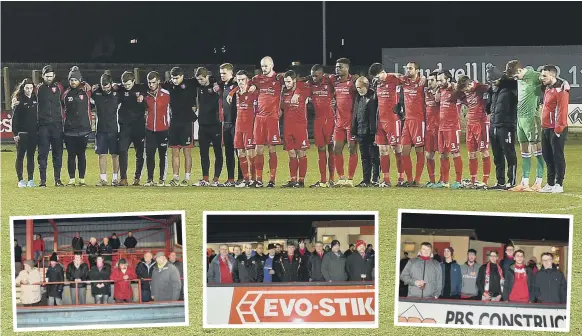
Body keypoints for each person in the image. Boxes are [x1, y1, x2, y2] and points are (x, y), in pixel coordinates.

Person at [238, 56, 284, 188]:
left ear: (272, 65)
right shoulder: (257, 79)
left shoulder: (278, 79)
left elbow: (292, 81)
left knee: (271, 148)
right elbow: (242, 84)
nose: (264, 68)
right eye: (262, 66)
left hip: (272, 119)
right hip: (259, 118)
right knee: (258, 148)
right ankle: (258, 179)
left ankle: (272, 179)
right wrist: (232, 93)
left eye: (266, 66)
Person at [506, 61, 544, 192]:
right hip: (520, 119)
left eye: (516, 76)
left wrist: (563, 84)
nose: (516, 79)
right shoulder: (519, 77)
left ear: (520, 70)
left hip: (532, 118)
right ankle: (524, 182)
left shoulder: (535, 76)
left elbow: (550, 78)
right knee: (524, 152)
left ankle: (538, 182)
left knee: (537, 152)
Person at [390, 62, 427, 187]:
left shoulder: (422, 83)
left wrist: (425, 79)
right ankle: (410, 180)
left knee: (419, 151)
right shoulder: (404, 81)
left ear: (417, 70)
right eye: (407, 68)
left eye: (411, 68)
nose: (408, 70)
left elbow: (433, 82)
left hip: (418, 120)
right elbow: (393, 75)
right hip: (407, 121)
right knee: (404, 152)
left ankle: (417, 180)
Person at [109, 71, 147, 186]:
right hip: (125, 127)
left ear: (133, 82)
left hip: (139, 127)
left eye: (129, 84)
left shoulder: (141, 88)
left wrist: (143, 95)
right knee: (122, 150)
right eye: (125, 85)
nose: (127, 87)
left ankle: (137, 178)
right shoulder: (120, 89)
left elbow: (150, 87)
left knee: (139, 153)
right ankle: (123, 178)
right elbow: (111, 87)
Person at [369, 63, 404, 187]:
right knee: (383, 150)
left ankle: (401, 178)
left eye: (378, 76)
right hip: (380, 121)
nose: (377, 79)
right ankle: (386, 179)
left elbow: (409, 80)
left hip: (392, 120)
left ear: (383, 72)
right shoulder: (376, 83)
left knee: (397, 149)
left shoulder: (394, 79)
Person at [161, 67, 198, 186]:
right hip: (174, 122)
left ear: (182, 76)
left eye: (176, 78)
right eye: (172, 78)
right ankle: (175, 178)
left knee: (187, 151)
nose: (174, 80)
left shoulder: (190, 83)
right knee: (175, 151)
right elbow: (155, 85)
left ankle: (186, 178)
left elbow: (206, 79)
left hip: (187, 122)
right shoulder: (169, 85)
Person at [486, 64, 518, 190]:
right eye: (491, 80)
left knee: (509, 154)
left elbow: (511, 81)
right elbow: (489, 108)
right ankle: (500, 182)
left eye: (494, 79)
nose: (493, 82)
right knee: (497, 156)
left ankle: (512, 181)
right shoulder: (494, 91)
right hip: (494, 125)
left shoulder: (511, 87)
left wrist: (499, 75)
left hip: (506, 126)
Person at [539, 65, 570, 193]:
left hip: (556, 129)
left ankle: (559, 183)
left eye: (544, 75)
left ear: (553, 75)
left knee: (557, 156)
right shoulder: (547, 87)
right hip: (545, 127)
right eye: (541, 75)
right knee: (547, 156)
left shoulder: (561, 89)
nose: (541, 78)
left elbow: (562, 110)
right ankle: (550, 183)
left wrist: (559, 129)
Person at [456, 75, 491, 188]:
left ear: (470, 83)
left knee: (484, 151)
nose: (465, 91)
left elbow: (492, 90)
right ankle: (473, 180)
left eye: (466, 88)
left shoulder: (481, 88)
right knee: (471, 153)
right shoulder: (463, 93)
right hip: (470, 124)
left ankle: (485, 181)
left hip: (481, 123)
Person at [192, 67, 224, 187]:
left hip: (215, 125)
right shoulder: (199, 87)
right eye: (198, 79)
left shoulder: (216, 86)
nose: (200, 81)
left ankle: (216, 179)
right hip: (203, 125)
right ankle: (205, 179)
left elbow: (222, 81)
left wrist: (214, 81)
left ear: (207, 77)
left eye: (202, 79)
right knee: (203, 153)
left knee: (218, 152)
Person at [62, 66, 93, 186]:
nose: (73, 82)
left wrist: (85, 83)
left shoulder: (86, 91)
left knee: (81, 154)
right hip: (69, 130)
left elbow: (95, 88)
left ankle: (82, 179)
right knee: (71, 155)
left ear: (80, 80)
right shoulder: (65, 94)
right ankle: (71, 179)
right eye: (71, 80)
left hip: (84, 129)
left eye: (75, 79)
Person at [34, 65, 65, 186]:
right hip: (43, 126)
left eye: (51, 76)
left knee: (58, 153)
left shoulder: (59, 88)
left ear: (54, 76)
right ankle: (43, 180)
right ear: (42, 76)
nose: (49, 78)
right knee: (43, 153)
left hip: (57, 125)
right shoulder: (38, 89)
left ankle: (57, 179)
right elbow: (25, 92)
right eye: (47, 76)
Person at [331, 58, 359, 187]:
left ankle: (350, 178)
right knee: (337, 149)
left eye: (340, 67)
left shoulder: (354, 82)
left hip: (351, 122)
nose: (337, 69)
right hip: (339, 122)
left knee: (352, 149)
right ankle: (341, 178)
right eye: (336, 67)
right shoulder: (334, 82)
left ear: (347, 68)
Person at [433, 71, 463, 189]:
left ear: (448, 79)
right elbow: (436, 100)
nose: (439, 82)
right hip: (442, 127)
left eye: (441, 80)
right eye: (438, 80)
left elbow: (461, 95)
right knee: (443, 154)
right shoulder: (441, 90)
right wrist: (437, 89)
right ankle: (445, 181)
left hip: (452, 127)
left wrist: (456, 87)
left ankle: (458, 181)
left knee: (455, 153)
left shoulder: (454, 90)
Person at [281, 70, 311, 188]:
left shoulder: (303, 90)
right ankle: (293, 179)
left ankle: (301, 181)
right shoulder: (284, 92)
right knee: (291, 153)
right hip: (288, 126)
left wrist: (297, 92)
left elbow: (307, 83)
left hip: (300, 127)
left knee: (301, 152)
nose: (287, 84)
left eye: (289, 81)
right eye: (285, 82)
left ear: (294, 80)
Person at [307, 65, 335, 188]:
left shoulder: (329, 81)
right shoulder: (310, 85)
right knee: (321, 150)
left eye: (316, 75)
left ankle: (332, 179)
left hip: (330, 120)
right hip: (318, 120)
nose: (314, 77)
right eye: (312, 75)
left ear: (322, 74)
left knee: (331, 149)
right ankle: (323, 180)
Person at [91, 73, 120, 186]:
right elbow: (88, 96)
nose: (106, 88)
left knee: (115, 154)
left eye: (107, 86)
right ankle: (103, 178)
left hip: (114, 129)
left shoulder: (117, 94)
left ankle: (115, 178)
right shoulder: (96, 94)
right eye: (104, 86)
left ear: (111, 84)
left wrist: (118, 85)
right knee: (102, 154)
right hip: (101, 129)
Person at [217, 63, 244, 186]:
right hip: (226, 123)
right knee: (228, 152)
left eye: (224, 73)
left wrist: (233, 92)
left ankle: (241, 178)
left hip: (236, 123)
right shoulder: (224, 85)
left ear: (231, 73)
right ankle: (231, 179)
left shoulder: (237, 84)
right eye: (221, 73)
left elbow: (247, 84)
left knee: (239, 152)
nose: (222, 76)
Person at [142, 71, 170, 187]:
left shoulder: (166, 94)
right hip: (149, 129)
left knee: (163, 155)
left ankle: (162, 179)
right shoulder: (145, 95)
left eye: (153, 82)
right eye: (149, 82)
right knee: (149, 154)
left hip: (163, 129)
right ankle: (149, 179)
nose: (151, 85)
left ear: (158, 81)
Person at [351, 76, 379, 187]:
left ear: (366, 86)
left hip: (371, 132)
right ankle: (366, 179)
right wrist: (355, 129)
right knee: (364, 157)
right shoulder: (358, 97)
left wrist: (374, 131)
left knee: (374, 156)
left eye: (360, 87)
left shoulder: (374, 96)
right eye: (357, 88)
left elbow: (374, 116)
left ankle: (375, 179)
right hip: (361, 131)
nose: (358, 90)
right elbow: (356, 114)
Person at [12, 78, 39, 187]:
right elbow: (14, 119)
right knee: (20, 156)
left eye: (31, 88)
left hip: (33, 133)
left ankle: (31, 180)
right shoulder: (18, 100)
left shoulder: (35, 99)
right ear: (23, 88)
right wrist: (15, 134)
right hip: (22, 133)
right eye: (27, 88)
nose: (29, 90)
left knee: (31, 156)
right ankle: (20, 180)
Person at [423, 72, 441, 187]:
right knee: (429, 155)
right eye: (428, 79)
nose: (429, 82)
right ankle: (432, 180)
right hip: (429, 128)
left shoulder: (443, 92)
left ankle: (444, 180)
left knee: (443, 155)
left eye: (432, 80)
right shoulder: (425, 92)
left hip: (440, 128)